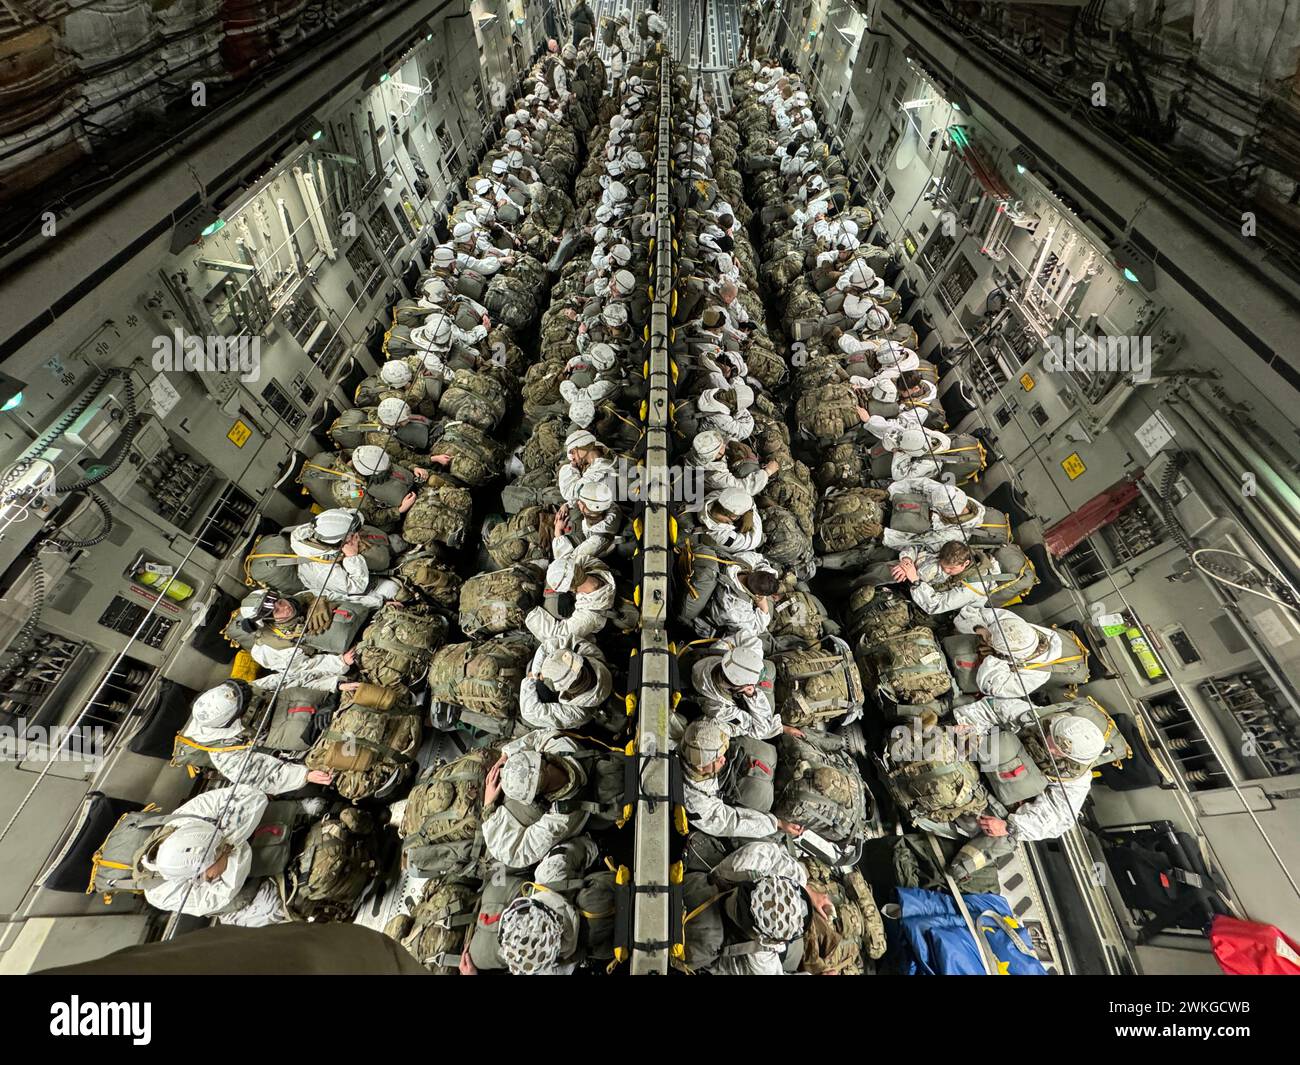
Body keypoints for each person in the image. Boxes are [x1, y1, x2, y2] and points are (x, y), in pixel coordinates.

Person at [954, 696, 1106, 842]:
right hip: (979, 754)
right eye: (1052, 741)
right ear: (1053, 726)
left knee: (998, 838)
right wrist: (969, 727)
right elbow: (989, 709)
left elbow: (1058, 816)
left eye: (1059, 752)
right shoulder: (1034, 716)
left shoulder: (1076, 779)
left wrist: (1011, 827)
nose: (1051, 749)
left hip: (1003, 795)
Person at [140, 786, 289, 926]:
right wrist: (221, 865)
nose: (225, 847)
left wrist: (229, 841)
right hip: (233, 892)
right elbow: (225, 895)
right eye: (221, 849)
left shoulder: (189, 818)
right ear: (201, 873)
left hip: (243, 842)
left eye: (220, 844)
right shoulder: (162, 894)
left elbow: (253, 796)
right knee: (271, 909)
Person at [178, 681, 336, 794]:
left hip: (314, 708)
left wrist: (332, 685)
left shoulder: (240, 693)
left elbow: (290, 679)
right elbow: (265, 776)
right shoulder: (225, 755)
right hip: (305, 744)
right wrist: (304, 775)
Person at [701, 840, 833, 975]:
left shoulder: (736, 866)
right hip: (723, 955)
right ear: (768, 940)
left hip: (700, 896)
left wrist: (805, 889)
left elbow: (770, 855)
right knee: (795, 953)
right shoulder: (760, 962)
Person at [481, 729, 592, 868]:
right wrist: (507, 755)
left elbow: (513, 854)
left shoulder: (562, 816)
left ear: (536, 798)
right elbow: (539, 736)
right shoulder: (562, 746)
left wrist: (488, 807)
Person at [679, 719, 799, 840]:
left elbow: (746, 724)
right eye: (717, 759)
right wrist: (776, 823)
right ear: (700, 766)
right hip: (759, 798)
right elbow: (730, 822)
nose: (723, 759)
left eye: (723, 751)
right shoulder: (695, 800)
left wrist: (781, 729)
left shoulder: (706, 731)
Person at [290, 508, 401, 609]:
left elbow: (345, 514)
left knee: (396, 543)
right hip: (349, 585)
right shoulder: (322, 570)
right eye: (352, 535)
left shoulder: (322, 523)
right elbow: (356, 588)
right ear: (340, 544)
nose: (356, 536)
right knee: (393, 589)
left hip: (350, 560)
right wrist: (352, 557)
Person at [952, 605, 1065, 699]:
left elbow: (993, 687)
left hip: (962, 678)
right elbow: (968, 614)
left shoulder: (1038, 674)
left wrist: (995, 659)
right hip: (955, 647)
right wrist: (979, 628)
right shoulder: (1014, 623)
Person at [890, 539, 1013, 615]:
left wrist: (916, 582)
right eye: (944, 566)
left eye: (951, 569)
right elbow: (917, 546)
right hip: (925, 585)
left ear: (965, 563)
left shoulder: (973, 587)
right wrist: (907, 561)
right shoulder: (951, 550)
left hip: (939, 609)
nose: (946, 570)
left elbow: (935, 606)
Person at [519, 642, 614, 730]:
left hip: (572, 712)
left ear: (559, 688)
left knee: (540, 687)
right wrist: (537, 671)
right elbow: (550, 644)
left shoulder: (576, 713)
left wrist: (530, 679)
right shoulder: (590, 652)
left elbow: (529, 712)